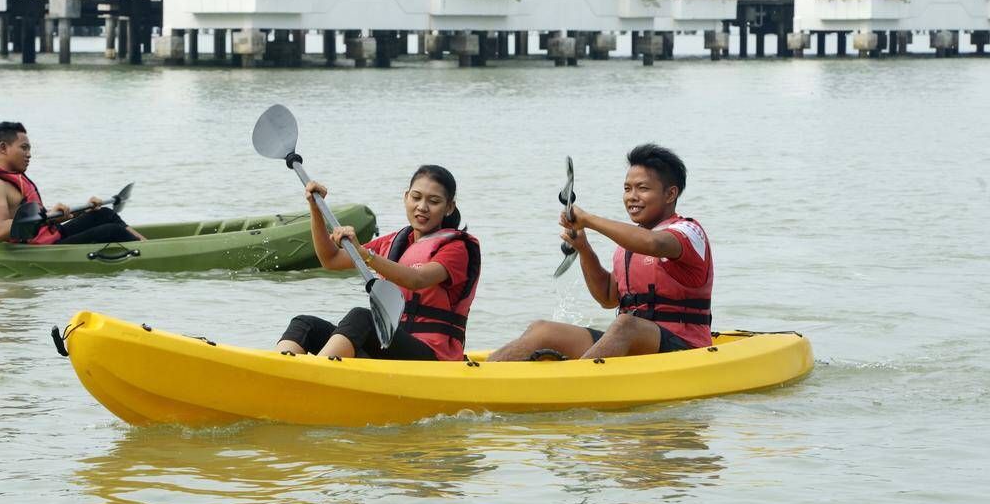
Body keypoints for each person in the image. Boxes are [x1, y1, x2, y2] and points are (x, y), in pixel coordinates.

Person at [489, 144, 712, 361]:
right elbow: (607, 297)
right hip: (634, 339)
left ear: (670, 194)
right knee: (541, 330)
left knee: (625, 324)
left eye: (643, 188)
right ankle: (488, 375)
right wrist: (584, 248)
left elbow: (654, 244)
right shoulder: (630, 243)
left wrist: (588, 219)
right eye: (627, 189)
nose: (632, 197)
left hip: (685, 347)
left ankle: (576, 380)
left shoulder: (688, 231)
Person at [276, 165, 480, 361]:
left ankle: (317, 374)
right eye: (416, 197)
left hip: (432, 356)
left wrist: (365, 254)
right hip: (389, 346)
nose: (422, 207)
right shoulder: (393, 242)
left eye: (433, 201)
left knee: (361, 318)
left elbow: (417, 280)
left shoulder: (457, 249)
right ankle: (281, 370)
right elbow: (331, 259)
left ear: (449, 207)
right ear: (406, 197)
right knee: (305, 324)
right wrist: (315, 209)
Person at [0, 122, 144, 244]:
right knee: (111, 231)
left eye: (29, 149)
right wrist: (48, 216)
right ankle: (152, 255)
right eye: (24, 148)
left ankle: (147, 246)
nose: (29, 154)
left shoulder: (12, 180)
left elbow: (37, 221)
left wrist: (82, 210)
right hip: (38, 249)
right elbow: (0, 230)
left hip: (49, 236)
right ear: (3, 147)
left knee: (103, 214)